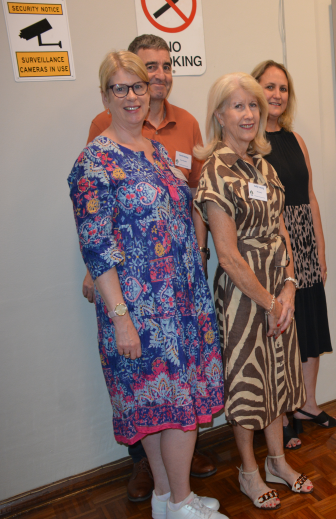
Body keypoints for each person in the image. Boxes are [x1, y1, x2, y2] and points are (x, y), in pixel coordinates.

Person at [68, 51, 225, 519]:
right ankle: (182, 501)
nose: (132, 96)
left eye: (137, 87)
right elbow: (97, 249)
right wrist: (121, 321)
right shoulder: (93, 162)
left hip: (180, 301)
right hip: (139, 308)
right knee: (172, 405)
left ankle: (166, 498)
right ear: (105, 96)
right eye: (121, 88)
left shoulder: (153, 151)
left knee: (163, 407)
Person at [194, 73, 313, 510]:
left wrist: (289, 287)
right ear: (220, 114)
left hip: (277, 289)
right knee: (248, 383)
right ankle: (247, 469)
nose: (248, 114)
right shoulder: (215, 170)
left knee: (279, 377)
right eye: (238, 106)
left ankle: (277, 461)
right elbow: (226, 255)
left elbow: (281, 231)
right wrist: (268, 301)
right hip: (245, 296)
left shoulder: (263, 165)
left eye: (253, 106)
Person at [252, 60, 336, 447]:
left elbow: (309, 196)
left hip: (304, 239)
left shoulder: (296, 139)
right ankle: (284, 412)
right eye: (269, 87)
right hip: (274, 243)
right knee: (283, 331)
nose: (276, 94)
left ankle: (307, 403)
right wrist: (288, 247)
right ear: (255, 91)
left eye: (282, 88)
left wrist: (319, 247)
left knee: (309, 324)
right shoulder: (249, 144)